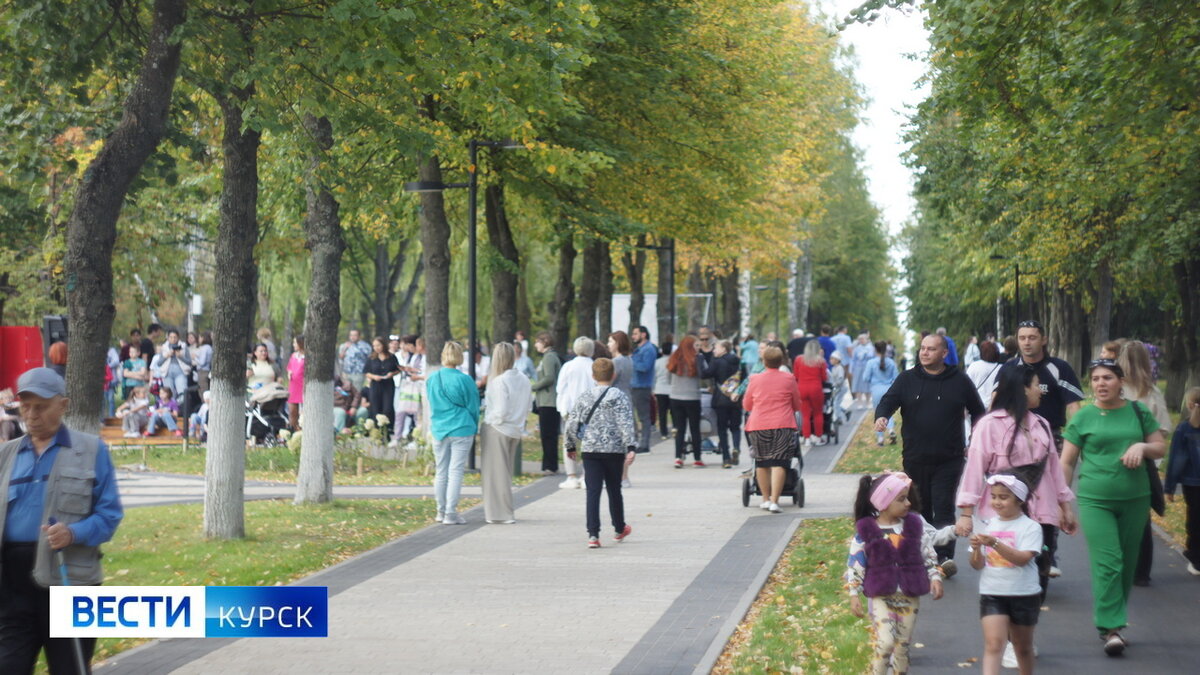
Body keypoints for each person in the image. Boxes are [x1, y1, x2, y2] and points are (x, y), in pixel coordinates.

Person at [0, 368, 123, 674]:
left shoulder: (91, 450)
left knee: (70, 668)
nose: (31, 414)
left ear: (63, 405)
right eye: (25, 406)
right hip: (11, 588)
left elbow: (109, 516)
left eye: (40, 406)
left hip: (70, 582)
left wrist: (73, 532)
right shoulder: (5, 454)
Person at [956, 363, 1077, 670]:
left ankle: (1022, 636)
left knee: (1038, 574)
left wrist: (1065, 506)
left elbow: (1053, 470)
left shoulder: (1041, 424)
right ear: (1022, 388)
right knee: (1005, 570)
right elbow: (974, 469)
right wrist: (966, 512)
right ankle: (1008, 641)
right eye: (1037, 385)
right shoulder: (989, 425)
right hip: (1002, 512)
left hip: (1042, 510)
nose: (1041, 390)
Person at [1060, 358, 1165, 656]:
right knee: (1109, 562)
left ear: (1120, 382)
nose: (1100, 384)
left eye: (1107, 378)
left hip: (1136, 499)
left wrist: (1141, 447)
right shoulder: (1083, 417)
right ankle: (1112, 628)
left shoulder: (1137, 411)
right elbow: (1066, 462)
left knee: (1128, 565)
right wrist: (1062, 502)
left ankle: (1112, 622)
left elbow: (1159, 446)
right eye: (1095, 379)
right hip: (1095, 500)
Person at [875, 333, 986, 575]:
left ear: (944, 353)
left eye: (931, 349)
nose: (924, 353)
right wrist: (882, 417)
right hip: (915, 457)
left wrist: (975, 438)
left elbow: (978, 411)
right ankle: (925, 554)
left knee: (944, 506)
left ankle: (944, 558)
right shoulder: (907, 379)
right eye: (922, 349)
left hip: (950, 457)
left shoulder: (959, 380)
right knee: (919, 509)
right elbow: (888, 401)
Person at [1001, 319, 1084, 578]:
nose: (1027, 342)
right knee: (1018, 498)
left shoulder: (1059, 368)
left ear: (1043, 339)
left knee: (1051, 499)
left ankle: (1049, 553)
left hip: (1053, 440)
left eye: (1032, 337)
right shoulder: (1009, 368)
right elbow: (997, 402)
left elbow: (1074, 408)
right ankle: (1017, 551)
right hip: (1015, 440)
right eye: (1022, 337)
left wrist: (1075, 439)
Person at [846, 472, 944, 675]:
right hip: (881, 595)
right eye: (901, 499)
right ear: (884, 503)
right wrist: (854, 593)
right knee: (886, 642)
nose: (908, 503)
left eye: (907, 497)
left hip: (909, 596)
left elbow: (928, 554)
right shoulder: (867, 531)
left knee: (902, 647)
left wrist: (934, 576)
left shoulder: (914, 526)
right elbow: (856, 564)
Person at [968, 474, 1043, 675]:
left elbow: (1023, 558)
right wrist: (976, 548)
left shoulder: (1031, 527)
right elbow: (977, 565)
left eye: (1003, 497)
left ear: (1019, 500)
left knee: (1022, 648)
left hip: (1024, 593)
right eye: (993, 496)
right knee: (993, 644)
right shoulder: (987, 525)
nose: (996, 502)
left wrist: (994, 543)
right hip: (992, 592)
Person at [1117, 340, 1173, 586]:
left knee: (1124, 515)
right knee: (1139, 518)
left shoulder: (1121, 389)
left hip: (1122, 460)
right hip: (1142, 460)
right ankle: (1140, 571)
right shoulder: (1149, 391)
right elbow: (1164, 428)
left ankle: (1126, 567)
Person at [563, 358, 636, 548]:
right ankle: (619, 528)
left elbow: (572, 423)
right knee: (614, 490)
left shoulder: (585, 396)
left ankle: (593, 534)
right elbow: (626, 422)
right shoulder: (619, 396)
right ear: (613, 375)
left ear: (593, 376)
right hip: (613, 450)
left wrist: (570, 446)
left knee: (593, 491)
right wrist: (631, 447)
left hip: (590, 450)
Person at [742, 345, 803, 512]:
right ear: (781, 361)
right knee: (780, 462)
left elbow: (747, 404)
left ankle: (765, 499)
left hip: (758, 425)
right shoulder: (789, 378)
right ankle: (775, 501)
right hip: (782, 424)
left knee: (761, 462)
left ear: (764, 361)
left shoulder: (755, 379)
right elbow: (797, 404)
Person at [426, 342, 480, 525]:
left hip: (439, 428)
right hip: (462, 427)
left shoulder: (432, 379)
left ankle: (440, 512)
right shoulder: (465, 380)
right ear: (459, 356)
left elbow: (431, 403)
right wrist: (474, 425)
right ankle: (451, 513)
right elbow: (473, 406)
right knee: (456, 471)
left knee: (440, 471)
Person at [481, 343, 532, 525]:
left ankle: (500, 513)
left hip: (499, 429)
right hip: (515, 430)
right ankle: (503, 511)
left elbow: (501, 411)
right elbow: (528, 406)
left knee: (495, 475)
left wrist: (490, 419)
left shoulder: (499, 381)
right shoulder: (524, 379)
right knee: (505, 472)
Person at [1164, 387, 1200, 576]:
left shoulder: (1185, 428)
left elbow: (1178, 459)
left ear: (1189, 404)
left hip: (1193, 483)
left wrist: (1169, 487)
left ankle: (1195, 557)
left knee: (1195, 518)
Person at [555, 337, 596, 489]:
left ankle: (571, 476)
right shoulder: (594, 366)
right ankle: (586, 476)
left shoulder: (568, 366)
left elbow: (560, 388)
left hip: (570, 409)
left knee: (569, 444)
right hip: (590, 411)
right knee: (588, 444)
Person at [699, 340, 742, 468]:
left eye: (716, 348)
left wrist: (700, 361)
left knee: (722, 429)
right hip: (735, 399)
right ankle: (736, 447)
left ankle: (726, 458)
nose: (713, 350)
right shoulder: (737, 361)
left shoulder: (716, 361)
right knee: (735, 427)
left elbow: (705, 374)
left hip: (721, 399)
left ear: (724, 349)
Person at [668, 335, 704, 468]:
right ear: (690, 346)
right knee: (695, 429)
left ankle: (678, 457)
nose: (698, 348)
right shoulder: (697, 359)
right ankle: (697, 458)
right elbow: (703, 374)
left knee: (679, 428)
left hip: (675, 397)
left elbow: (668, 377)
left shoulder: (674, 358)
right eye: (696, 345)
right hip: (692, 397)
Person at [530, 332, 562, 475]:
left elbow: (549, 378)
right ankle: (549, 464)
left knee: (548, 435)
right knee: (548, 435)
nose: (536, 344)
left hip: (549, 401)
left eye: (537, 342)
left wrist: (534, 386)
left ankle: (550, 465)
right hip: (546, 401)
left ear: (544, 342)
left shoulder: (549, 357)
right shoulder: (548, 357)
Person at [792, 339, 828, 449]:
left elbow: (796, 375)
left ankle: (806, 438)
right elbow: (824, 377)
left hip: (802, 388)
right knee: (818, 413)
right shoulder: (820, 361)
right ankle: (818, 437)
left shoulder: (799, 359)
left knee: (805, 414)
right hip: (816, 388)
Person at [863, 341, 899, 446]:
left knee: (879, 414)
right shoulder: (891, 362)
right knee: (889, 412)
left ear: (875, 349)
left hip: (876, 389)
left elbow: (865, 377)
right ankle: (891, 429)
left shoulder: (871, 363)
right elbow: (896, 378)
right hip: (889, 389)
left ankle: (880, 438)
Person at [630, 325, 658, 455]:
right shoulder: (639, 349)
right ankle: (636, 442)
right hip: (634, 385)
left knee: (644, 417)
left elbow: (645, 367)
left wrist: (631, 360)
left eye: (635, 334)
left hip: (642, 386)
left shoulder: (648, 349)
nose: (633, 337)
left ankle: (644, 444)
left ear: (643, 334)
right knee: (634, 416)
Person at [364, 336, 400, 432]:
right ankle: (376, 430)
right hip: (375, 385)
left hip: (388, 385)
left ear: (383, 345)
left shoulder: (391, 357)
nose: (376, 348)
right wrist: (374, 377)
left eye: (378, 345)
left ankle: (387, 429)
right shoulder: (371, 358)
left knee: (387, 407)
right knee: (375, 406)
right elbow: (366, 372)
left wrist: (391, 374)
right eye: (374, 346)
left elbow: (398, 370)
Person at [151, 329, 192, 404]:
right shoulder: (164, 347)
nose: (173, 339)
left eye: (175, 337)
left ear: (178, 337)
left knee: (182, 392)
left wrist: (180, 356)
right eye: (171, 337)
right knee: (169, 393)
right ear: (168, 338)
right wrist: (167, 355)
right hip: (167, 372)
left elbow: (189, 362)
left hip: (180, 371)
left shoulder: (183, 346)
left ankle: (181, 409)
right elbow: (159, 363)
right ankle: (171, 408)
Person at [966, 340, 1004, 410]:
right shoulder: (1002, 368)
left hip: (976, 406)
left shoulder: (974, 366)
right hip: (995, 406)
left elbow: (966, 387)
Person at [653, 341, 673, 441]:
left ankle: (663, 432)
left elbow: (654, 376)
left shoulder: (657, 362)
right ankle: (675, 429)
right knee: (673, 412)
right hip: (672, 390)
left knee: (662, 412)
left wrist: (653, 389)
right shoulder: (673, 361)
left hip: (659, 389)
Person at [607, 331, 634, 399]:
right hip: (627, 395)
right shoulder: (629, 359)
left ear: (618, 343)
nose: (608, 344)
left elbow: (609, 382)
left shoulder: (616, 361)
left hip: (616, 397)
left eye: (610, 341)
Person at [286, 335, 305, 432]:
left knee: (303, 412)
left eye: (295, 342)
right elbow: (289, 367)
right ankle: (293, 430)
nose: (293, 345)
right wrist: (289, 372)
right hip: (293, 386)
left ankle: (303, 431)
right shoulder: (293, 356)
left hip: (303, 386)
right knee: (292, 411)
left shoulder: (307, 357)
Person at [850, 333, 873, 409]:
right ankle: (859, 402)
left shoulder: (871, 348)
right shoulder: (856, 349)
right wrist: (851, 370)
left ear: (866, 339)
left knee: (868, 385)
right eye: (860, 339)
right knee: (858, 385)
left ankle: (868, 402)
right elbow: (853, 360)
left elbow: (873, 358)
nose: (861, 340)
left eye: (863, 339)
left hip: (868, 368)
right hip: (858, 368)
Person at [829, 353, 850, 425]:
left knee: (836, 403)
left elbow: (841, 379)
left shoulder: (839, 368)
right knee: (835, 403)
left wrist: (835, 384)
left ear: (837, 360)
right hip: (837, 388)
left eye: (832, 359)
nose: (830, 360)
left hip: (841, 388)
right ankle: (845, 412)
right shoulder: (833, 368)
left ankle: (839, 418)